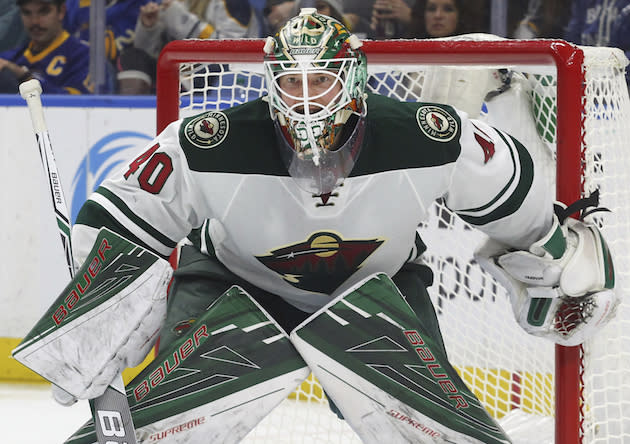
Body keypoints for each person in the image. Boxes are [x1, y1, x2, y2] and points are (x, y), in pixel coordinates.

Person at [33, 8, 618, 442]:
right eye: (292, 82)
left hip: (375, 291)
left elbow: (514, 192)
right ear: (270, 83)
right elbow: (118, 216)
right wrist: (96, 309)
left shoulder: (429, 136)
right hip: (233, 285)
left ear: (356, 79)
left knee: (432, 429)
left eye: (323, 81)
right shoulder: (210, 142)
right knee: (175, 422)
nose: (307, 100)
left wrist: (554, 250)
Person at [117, 0, 259, 94]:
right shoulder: (173, 3)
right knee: (132, 57)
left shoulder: (233, 3)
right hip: (176, 76)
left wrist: (182, 19)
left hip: (215, 77)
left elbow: (233, 50)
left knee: (213, 68)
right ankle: (131, 110)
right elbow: (148, 53)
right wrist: (149, 27)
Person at [0, 0, 92, 94]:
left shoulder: (85, 56)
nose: (35, 21)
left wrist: (24, 77)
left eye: (44, 12)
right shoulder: (9, 58)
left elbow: (81, 105)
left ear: (61, 11)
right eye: (27, 13)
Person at [564, 0, 630, 87]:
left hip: (620, 82)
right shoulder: (583, 3)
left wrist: (617, 77)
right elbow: (572, 39)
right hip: (585, 74)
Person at [404, 0, 488, 38]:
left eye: (448, 9)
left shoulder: (476, 59)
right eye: (431, 9)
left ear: (461, 15)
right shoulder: (406, 56)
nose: (438, 15)